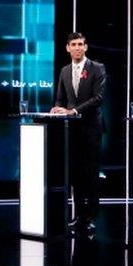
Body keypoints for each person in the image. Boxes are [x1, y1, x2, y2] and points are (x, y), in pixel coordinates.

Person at [51, 32, 106, 233]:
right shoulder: (65, 71)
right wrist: (57, 109)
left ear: (86, 47)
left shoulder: (97, 68)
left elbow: (98, 98)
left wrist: (73, 110)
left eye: (80, 44)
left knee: (90, 174)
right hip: (71, 130)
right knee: (75, 175)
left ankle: (91, 216)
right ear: (67, 48)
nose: (77, 47)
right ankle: (79, 215)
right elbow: (59, 99)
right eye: (73, 44)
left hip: (91, 128)